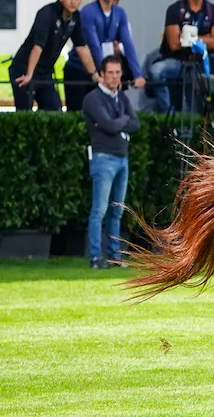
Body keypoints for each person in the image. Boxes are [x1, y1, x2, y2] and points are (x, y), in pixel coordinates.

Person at [82, 56, 140, 269]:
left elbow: (135, 124)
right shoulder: (93, 99)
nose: (115, 77)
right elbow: (110, 125)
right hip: (103, 158)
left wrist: (119, 122)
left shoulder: (121, 97)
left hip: (121, 157)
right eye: (111, 73)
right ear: (102, 74)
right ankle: (96, 257)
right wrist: (122, 120)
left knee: (117, 211)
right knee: (99, 211)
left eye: (118, 72)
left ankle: (115, 256)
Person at [10, 0, 98, 111]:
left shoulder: (76, 17)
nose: (73, 2)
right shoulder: (46, 13)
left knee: (54, 110)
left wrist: (94, 74)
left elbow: (82, 47)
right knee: (24, 113)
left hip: (45, 73)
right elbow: (38, 46)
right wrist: (29, 74)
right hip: (23, 69)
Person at [64, 0, 145, 113]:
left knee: (105, 113)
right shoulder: (88, 12)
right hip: (80, 69)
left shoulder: (120, 13)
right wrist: (106, 73)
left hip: (102, 71)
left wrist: (137, 74)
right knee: (78, 113)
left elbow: (127, 43)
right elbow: (93, 45)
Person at [147, 0, 214, 113]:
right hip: (177, 61)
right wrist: (203, 40)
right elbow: (174, 44)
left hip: (202, 63)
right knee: (156, 71)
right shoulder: (175, 9)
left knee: (194, 104)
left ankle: (196, 126)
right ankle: (166, 113)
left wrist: (189, 39)